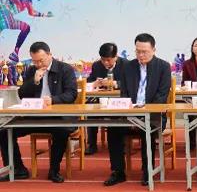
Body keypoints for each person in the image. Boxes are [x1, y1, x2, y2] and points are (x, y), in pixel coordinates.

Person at [0, 42, 77, 183]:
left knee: (62, 131)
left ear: (50, 55)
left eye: (41, 60)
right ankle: (17, 169)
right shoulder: (31, 70)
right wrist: (34, 81)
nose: (38, 64)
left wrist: (53, 100)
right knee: (4, 131)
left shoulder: (65, 69)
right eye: (35, 61)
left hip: (58, 117)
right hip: (35, 116)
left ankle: (54, 170)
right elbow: (22, 94)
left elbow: (71, 94)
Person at [104, 33, 172, 187]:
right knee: (113, 129)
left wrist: (142, 113)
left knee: (147, 129)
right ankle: (118, 172)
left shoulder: (163, 67)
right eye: (138, 51)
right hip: (130, 114)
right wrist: (131, 113)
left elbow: (161, 97)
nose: (141, 55)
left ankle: (148, 170)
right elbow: (124, 94)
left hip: (153, 116)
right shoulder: (128, 67)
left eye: (144, 52)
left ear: (153, 50)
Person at [84, 42, 126, 155]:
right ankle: (92, 144)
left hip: (119, 100)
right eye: (103, 60)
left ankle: (121, 144)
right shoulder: (97, 65)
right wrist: (95, 84)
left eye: (108, 60)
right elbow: (89, 82)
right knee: (91, 112)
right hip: (101, 99)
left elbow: (130, 82)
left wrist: (115, 83)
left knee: (118, 115)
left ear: (116, 56)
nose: (105, 63)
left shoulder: (126, 65)